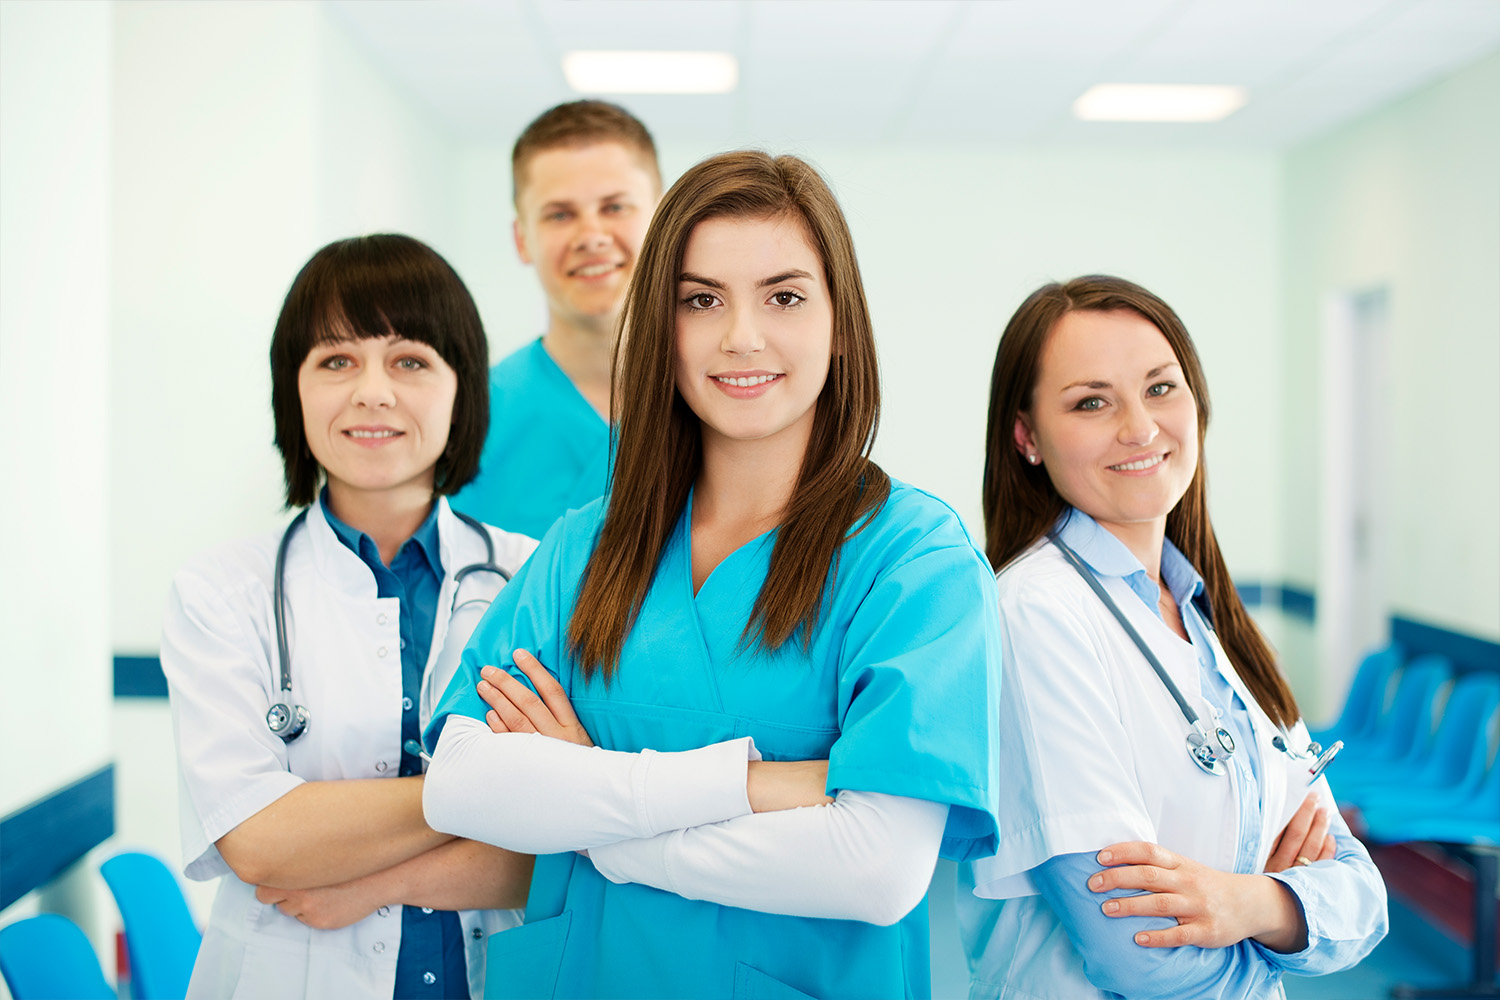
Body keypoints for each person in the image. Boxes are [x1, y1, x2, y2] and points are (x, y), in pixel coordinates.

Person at [422, 151, 1003, 1000]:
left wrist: (595, 818)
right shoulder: (590, 545)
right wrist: (745, 786)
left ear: (841, 320)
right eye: (701, 300)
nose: (741, 335)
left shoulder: (914, 561)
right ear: (664, 326)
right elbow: (463, 783)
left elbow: (874, 867)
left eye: (785, 296)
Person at [958, 275, 1388, 999]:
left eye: (1161, 388)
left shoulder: (1215, 625)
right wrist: (1285, 922)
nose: (1140, 427)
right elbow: (1137, 952)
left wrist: (1245, 904)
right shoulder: (1034, 615)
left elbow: (1362, 899)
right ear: (1026, 436)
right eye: (1091, 401)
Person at [160, 234, 539, 999]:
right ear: (291, 391)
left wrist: (362, 878)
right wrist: (492, 796)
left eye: (410, 360)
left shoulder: (536, 578)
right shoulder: (220, 592)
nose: (372, 391)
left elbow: (573, 842)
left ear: (461, 387)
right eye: (336, 361)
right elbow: (259, 841)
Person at [450, 100, 662, 538]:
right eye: (560, 215)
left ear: (663, 218)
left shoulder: (725, 399)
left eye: (615, 207)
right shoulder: (467, 420)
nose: (591, 237)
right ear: (522, 238)